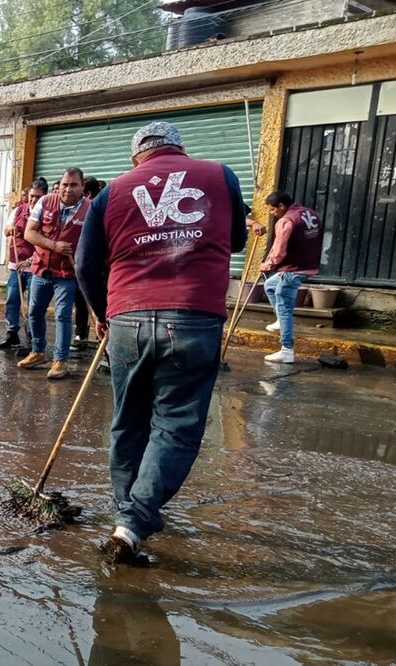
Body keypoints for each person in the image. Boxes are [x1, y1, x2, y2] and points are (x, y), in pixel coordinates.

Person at [75, 121, 248, 565]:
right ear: (179, 148)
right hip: (193, 316)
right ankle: (132, 522)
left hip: (127, 318)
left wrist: (102, 314)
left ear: (137, 157)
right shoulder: (221, 174)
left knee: (128, 421)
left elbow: (85, 264)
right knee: (175, 426)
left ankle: (127, 515)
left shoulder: (112, 191)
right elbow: (238, 240)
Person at [19, 167, 89, 380]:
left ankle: (60, 360)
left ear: (82, 187)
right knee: (34, 313)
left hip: (67, 274)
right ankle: (38, 351)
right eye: (65, 184)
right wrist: (54, 245)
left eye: (74, 185)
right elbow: (29, 233)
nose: (68, 189)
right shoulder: (45, 201)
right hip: (41, 269)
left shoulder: (90, 209)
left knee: (63, 316)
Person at [259, 191, 323, 364]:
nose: (272, 213)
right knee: (270, 285)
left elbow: (279, 250)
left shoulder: (286, 221)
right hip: (308, 264)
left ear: (281, 206)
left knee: (284, 307)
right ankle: (280, 321)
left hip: (292, 269)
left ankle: (286, 350)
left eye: (273, 209)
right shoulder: (310, 213)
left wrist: (268, 264)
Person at [0, 179, 48, 351]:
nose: (33, 200)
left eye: (38, 197)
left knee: (34, 306)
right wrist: (10, 230)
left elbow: (46, 243)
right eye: (32, 196)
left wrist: (31, 260)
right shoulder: (19, 210)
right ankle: (12, 333)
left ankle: (33, 340)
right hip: (16, 265)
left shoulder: (48, 215)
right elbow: (6, 231)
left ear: (45, 197)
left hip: (35, 266)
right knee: (12, 301)